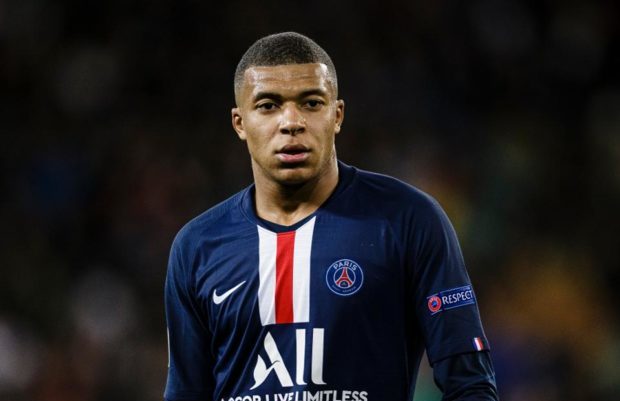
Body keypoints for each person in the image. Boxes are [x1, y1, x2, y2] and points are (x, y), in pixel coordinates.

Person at [164, 32, 499, 401]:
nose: (291, 122)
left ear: (337, 115)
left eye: (311, 103)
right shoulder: (198, 246)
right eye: (268, 105)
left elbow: (471, 386)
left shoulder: (408, 220)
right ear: (240, 122)